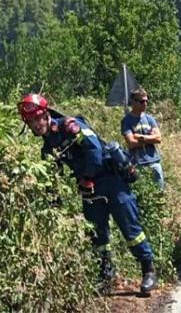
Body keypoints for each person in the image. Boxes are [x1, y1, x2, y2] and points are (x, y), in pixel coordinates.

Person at [17, 93, 157, 294]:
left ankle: (148, 271)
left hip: (110, 179)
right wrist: (53, 202)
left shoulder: (69, 126)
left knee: (130, 228)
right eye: (31, 122)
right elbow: (51, 175)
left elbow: (94, 149)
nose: (36, 124)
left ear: (46, 114)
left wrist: (88, 176)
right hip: (89, 188)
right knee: (96, 234)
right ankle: (105, 275)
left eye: (38, 118)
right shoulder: (48, 147)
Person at [121, 89, 165, 192]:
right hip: (138, 164)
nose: (145, 104)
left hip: (154, 162)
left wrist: (140, 137)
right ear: (133, 102)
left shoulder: (150, 119)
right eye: (141, 101)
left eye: (146, 101)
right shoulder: (126, 121)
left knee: (159, 193)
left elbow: (158, 138)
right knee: (141, 193)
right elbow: (131, 143)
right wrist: (150, 139)